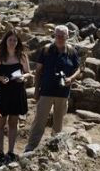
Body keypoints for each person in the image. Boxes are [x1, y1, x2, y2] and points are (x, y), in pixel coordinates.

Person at [24, 25, 80, 153]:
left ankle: (55, 147)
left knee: (58, 122)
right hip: (46, 90)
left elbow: (78, 69)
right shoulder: (46, 50)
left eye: (62, 36)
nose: (59, 38)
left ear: (67, 36)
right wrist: (36, 90)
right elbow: (38, 71)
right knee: (39, 120)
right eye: (57, 35)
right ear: (54, 35)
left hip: (63, 92)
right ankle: (30, 147)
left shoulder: (72, 51)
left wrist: (71, 78)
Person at [0, 28, 29, 162]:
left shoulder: (22, 55)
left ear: (18, 42)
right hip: (2, 93)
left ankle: (11, 151)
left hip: (17, 92)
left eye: (15, 40)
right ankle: (0, 151)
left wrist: (23, 78)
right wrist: (0, 78)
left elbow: (28, 72)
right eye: (10, 39)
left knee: (13, 122)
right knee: (0, 122)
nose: (12, 42)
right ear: (5, 41)